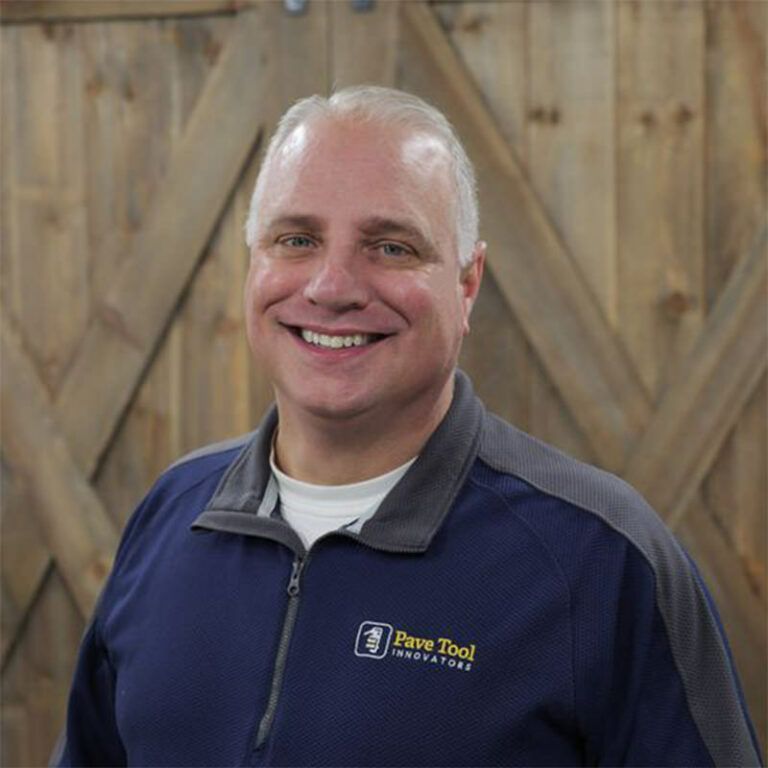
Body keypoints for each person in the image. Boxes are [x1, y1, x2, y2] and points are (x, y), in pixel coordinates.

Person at [54, 86, 761, 767]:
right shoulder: (173, 517)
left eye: (391, 247)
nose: (331, 287)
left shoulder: (602, 562)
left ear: (467, 282)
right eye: (296, 239)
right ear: (253, 265)